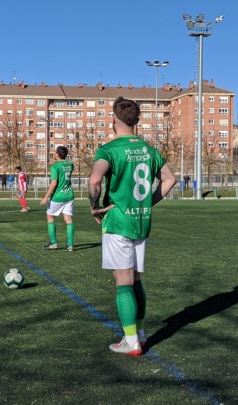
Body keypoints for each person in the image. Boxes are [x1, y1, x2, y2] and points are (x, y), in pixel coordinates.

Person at [89, 96, 176, 356]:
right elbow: (170, 180)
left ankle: (130, 342)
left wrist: (94, 207)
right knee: (137, 280)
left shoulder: (109, 150)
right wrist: (148, 202)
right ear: (137, 121)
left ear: (114, 120)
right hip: (141, 221)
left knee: (123, 283)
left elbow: (95, 180)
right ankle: (139, 333)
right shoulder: (149, 150)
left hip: (118, 223)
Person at [40, 146, 75, 251]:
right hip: (69, 195)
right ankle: (70, 245)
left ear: (57, 154)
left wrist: (45, 197)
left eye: (55, 152)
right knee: (68, 219)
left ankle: (53, 243)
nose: (54, 154)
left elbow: (54, 183)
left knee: (50, 216)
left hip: (58, 196)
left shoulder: (55, 167)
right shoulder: (70, 165)